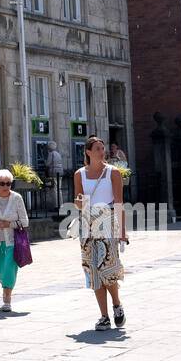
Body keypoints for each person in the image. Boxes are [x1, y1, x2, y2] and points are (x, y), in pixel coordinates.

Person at [75, 137, 128, 330]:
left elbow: (119, 202)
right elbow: (78, 200)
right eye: (97, 149)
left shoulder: (112, 173)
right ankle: (104, 316)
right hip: (88, 224)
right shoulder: (79, 174)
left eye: (103, 148)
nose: (101, 152)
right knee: (93, 270)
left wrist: (122, 231)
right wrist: (79, 202)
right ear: (88, 152)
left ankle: (116, 304)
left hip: (108, 221)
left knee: (108, 267)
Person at [0, 168, 30, 311]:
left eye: (8, 183)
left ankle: (7, 297)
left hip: (12, 240)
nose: (5, 187)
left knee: (9, 269)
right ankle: (5, 286)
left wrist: (9, 224)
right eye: (2, 183)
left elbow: (25, 221)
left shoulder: (16, 198)